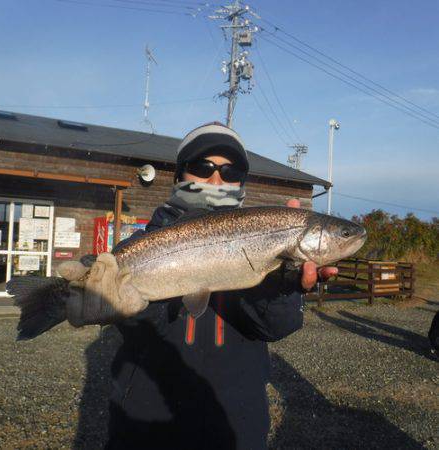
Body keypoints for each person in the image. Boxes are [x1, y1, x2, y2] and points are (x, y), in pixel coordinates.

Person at [64, 122, 337, 449]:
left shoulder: (270, 245)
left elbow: (277, 326)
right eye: (202, 167)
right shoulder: (143, 243)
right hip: (145, 425)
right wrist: (113, 303)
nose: (216, 179)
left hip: (236, 426)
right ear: (180, 176)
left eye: (230, 170)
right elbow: (140, 333)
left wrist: (281, 285)